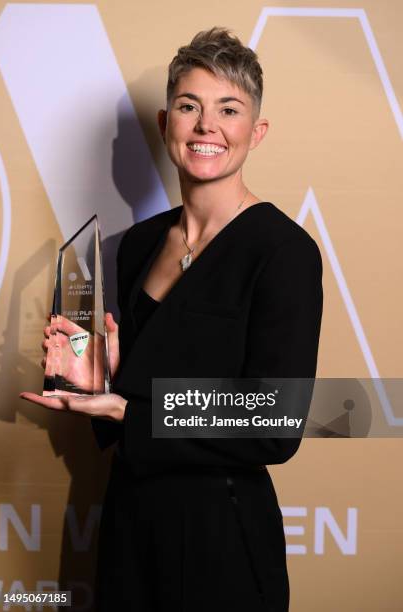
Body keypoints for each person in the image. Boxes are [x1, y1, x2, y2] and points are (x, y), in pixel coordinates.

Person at [20, 27, 323, 611]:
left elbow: (275, 422)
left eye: (228, 110)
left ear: (255, 133)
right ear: (166, 125)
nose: (207, 126)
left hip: (222, 540)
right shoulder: (136, 246)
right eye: (190, 106)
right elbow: (130, 401)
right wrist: (105, 376)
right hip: (130, 526)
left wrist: (130, 409)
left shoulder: (282, 251)